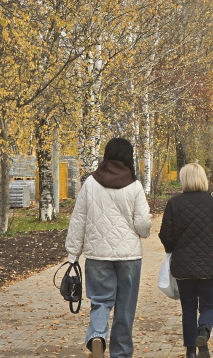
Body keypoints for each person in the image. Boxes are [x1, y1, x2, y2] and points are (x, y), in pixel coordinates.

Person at [65, 138, 151, 358]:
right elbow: (142, 223)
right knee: (125, 307)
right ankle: (120, 354)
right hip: (129, 256)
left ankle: (96, 336)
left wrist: (73, 254)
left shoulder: (90, 183)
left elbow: (78, 220)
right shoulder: (135, 185)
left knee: (101, 301)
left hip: (97, 255)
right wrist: (143, 232)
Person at [159, 163, 213, 358]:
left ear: (184, 180)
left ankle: (191, 351)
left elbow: (165, 235)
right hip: (211, 265)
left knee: (189, 308)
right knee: (209, 305)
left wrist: (173, 249)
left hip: (183, 267)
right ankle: (204, 332)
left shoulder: (174, 204)